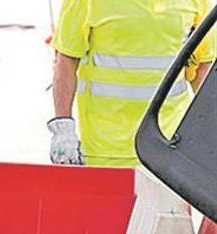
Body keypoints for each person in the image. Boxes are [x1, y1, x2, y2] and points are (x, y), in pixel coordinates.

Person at [49, 0, 215, 167]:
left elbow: (202, 69)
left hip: (169, 147)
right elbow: (66, 62)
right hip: (105, 151)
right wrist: (63, 127)